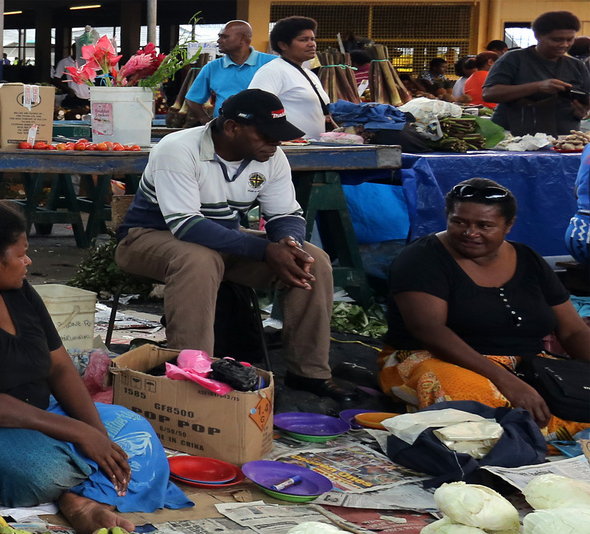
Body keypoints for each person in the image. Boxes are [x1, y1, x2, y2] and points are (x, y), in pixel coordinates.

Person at [0, 191, 186, 530]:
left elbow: (59, 367)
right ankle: (77, 489)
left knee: (138, 435)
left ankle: (80, 499)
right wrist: (79, 433)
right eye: (22, 254)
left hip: (29, 409)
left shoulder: (19, 291)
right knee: (41, 471)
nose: (29, 262)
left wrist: (98, 436)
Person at [114, 89, 352, 404]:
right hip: (146, 238)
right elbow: (186, 226)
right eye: (267, 135)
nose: (275, 143)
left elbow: (285, 213)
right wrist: (265, 250)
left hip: (222, 242)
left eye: (279, 136)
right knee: (199, 260)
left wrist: (288, 244)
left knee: (314, 261)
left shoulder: (271, 156)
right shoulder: (178, 149)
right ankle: (193, 373)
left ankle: (309, 373)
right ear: (231, 128)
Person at [380, 178, 590, 435]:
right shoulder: (421, 258)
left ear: (508, 225)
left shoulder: (528, 259)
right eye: (459, 222)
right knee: (472, 402)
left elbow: (573, 331)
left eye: (485, 225)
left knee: (570, 399)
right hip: (435, 358)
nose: (470, 233)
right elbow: (429, 330)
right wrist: (506, 380)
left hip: (526, 364)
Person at [482, 11, 590, 136]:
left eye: (570, 39)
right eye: (557, 39)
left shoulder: (577, 66)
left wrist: (583, 110)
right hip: (514, 138)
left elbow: (587, 98)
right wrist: (537, 86)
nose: (564, 44)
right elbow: (489, 94)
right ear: (538, 35)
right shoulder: (513, 59)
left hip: (563, 139)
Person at [248, 16, 332, 138]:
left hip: (312, 149)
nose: (311, 44)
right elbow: (255, 107)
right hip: (288, 148)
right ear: (283, 45)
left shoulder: (309, 74)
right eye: (304, 40)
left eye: (312, 39)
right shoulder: (273, 70)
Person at [184, 20, 273, 121]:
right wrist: (205, 120)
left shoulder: (271, 64)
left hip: (262, 129)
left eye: (224, 37)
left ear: (243, 39)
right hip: (225, 129)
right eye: (219, 36)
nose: (218, 41)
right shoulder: (212, 67)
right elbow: (192, 98)